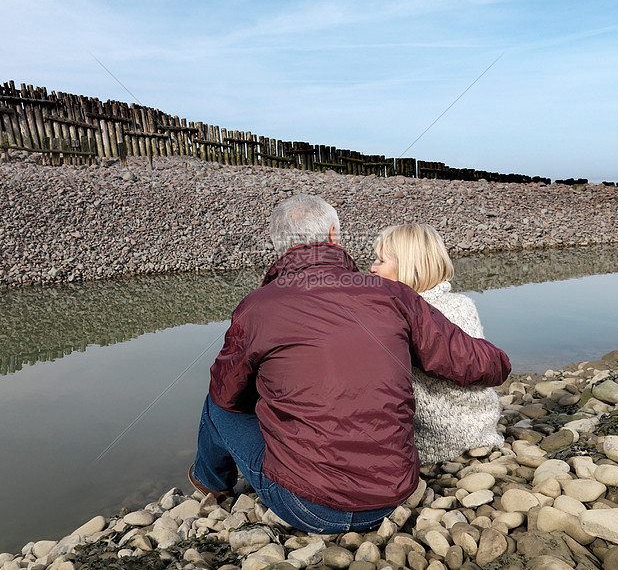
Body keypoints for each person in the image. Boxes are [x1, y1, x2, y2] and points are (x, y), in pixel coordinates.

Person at [190, 195, 510, 534]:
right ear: (333, 236)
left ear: (278, 247)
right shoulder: (392, 294)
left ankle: (211, 484)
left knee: (216, 405)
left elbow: (227, 396)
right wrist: (500, 361)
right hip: (392, 494)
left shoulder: (256, 307)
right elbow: (474, 362)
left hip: (306, 506)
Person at [370, 224, 504, 464]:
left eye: (381, 261)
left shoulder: (401, 317)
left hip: (439, 437)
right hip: (481, 423)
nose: (372, 268)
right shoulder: (462, 304)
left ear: (407, 267)